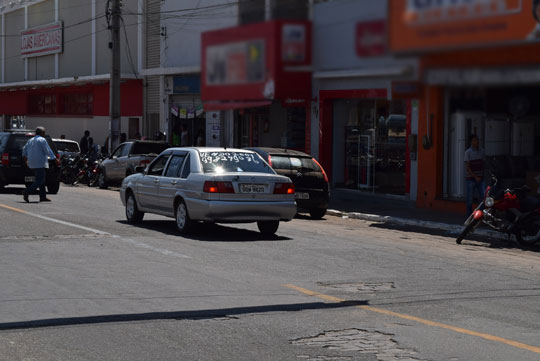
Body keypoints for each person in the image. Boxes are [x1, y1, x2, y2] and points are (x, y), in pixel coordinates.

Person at [22, 127, 58, 203]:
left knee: (42, 180)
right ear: (41, 133)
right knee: (40, 180)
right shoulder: (42, 140)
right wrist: (55, 159)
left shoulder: (30, 140)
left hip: (32, 163)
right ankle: (27, 191)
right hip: (40, 163)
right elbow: (48, 150)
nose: (44, 134)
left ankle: (43, 196)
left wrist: (26, 160)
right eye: (44, 133)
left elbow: (24, 150)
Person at [465, 134, 486, 216]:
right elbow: (468, 167)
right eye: (474, 140)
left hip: (481, 178)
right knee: (470, 199)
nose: (477, 142)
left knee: (484, 197)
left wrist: (481, 176)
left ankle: (480, 215)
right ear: (471, 142)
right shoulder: (468, 152)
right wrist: (475, 177)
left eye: (477, 140)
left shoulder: (482, 151)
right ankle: (469, 217)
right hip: (471, 178)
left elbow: (483, 164)